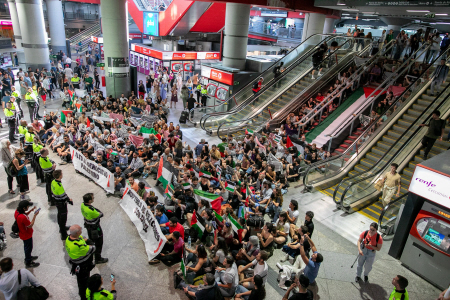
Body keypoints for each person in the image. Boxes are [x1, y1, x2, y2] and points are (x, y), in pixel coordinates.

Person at [65, 224, 96, 300]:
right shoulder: (79, 246)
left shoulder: (69, 238)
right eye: (80, 229)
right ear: (77, 232)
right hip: (83, 266)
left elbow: (82, 237)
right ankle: (84, 296)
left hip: (77, 265)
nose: (82, 230)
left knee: (81, 281)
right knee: (84, 282)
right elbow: (93, 248)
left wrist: (84, 239)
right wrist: (88, 241)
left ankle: (83, 292)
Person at [81, 193, 108, 264]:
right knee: (99, 242)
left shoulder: (82, 205)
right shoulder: (91, 211)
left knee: (92, 240)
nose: (94, 199)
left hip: (88, 226)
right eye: (93, 198)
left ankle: (92, 252)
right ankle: (98, 258)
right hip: (95, 229)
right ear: (89, 201)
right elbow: (101, 214)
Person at [14, 200, 40, 268]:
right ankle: (28, 261)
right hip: (26, 235)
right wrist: (35, 215)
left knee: (27, 247)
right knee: (28, 248)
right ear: (24, 208)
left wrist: (31, 210)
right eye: (28, 207)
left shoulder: (17, 212)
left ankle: (29, 257)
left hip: (22, 233)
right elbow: (30, 225)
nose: (28, 207)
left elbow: (24, 215)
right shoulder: (23, 217)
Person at [51, 169, 73, 240]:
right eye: (62, 173)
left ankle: (61, 228)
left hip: (56, 202)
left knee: (59, 214)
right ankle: (63, 234)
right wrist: (69, 200)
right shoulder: (58, 186)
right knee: (63, 218)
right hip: (61, 204)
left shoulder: (53, 181)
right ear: (60, 175)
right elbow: (63, 196)